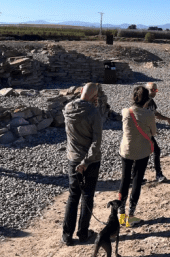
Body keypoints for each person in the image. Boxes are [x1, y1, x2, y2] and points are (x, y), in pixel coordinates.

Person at [62, 83, 103, 246]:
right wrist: (86, 162)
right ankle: (83, 233)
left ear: (80, 91)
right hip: (90, 161)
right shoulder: (94, 113)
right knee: (87, 196)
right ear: (95, 96)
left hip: (73, 158)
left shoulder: (67, 108)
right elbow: (96, 142)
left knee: (73, 196)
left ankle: (67, 235)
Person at [118, 86, 156, 226]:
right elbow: (153, 132)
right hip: (142, 151)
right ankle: (131, 214)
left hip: (126, 149)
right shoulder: (149, 114)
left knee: (124, 179)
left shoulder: (125, 112)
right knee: (137, 180)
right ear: (146, 100)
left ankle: (121, 214)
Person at [144, 82, 170, 182]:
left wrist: (166, 118)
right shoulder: (142, 102)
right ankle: (158, 175)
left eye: (156, 90)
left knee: (150, 152)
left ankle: (137, 177)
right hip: (142, 132)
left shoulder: (151, 101)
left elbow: (156, 114)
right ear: (146, 90)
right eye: (153, 90)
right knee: (149, 152)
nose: (155, 92)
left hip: (148, 132)